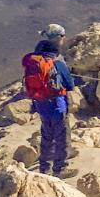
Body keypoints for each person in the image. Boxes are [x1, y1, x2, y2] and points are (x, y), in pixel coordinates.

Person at [22, 23, 81, 177]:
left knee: (47, 136)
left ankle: (44, 168)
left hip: (41, 105)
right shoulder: (57, 61)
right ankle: (60, 168)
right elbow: (69, 85)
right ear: (58, 38)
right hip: (57, 104)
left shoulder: (36, 60)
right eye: (62, 36)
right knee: (61, 134)